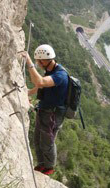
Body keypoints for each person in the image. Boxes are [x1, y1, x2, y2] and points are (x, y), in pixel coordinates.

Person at [20, 44, 68, 175]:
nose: (38, 64)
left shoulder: (60, 75)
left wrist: (29, 63)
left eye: (38, 61)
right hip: (44, 110)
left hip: (53, 114)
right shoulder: (50, 72)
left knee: (47, 141)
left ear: (44, 60)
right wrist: (28, 93)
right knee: (37, 139)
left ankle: (49, 167)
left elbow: (40, 82)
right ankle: (41, 164)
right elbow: (42, 86)